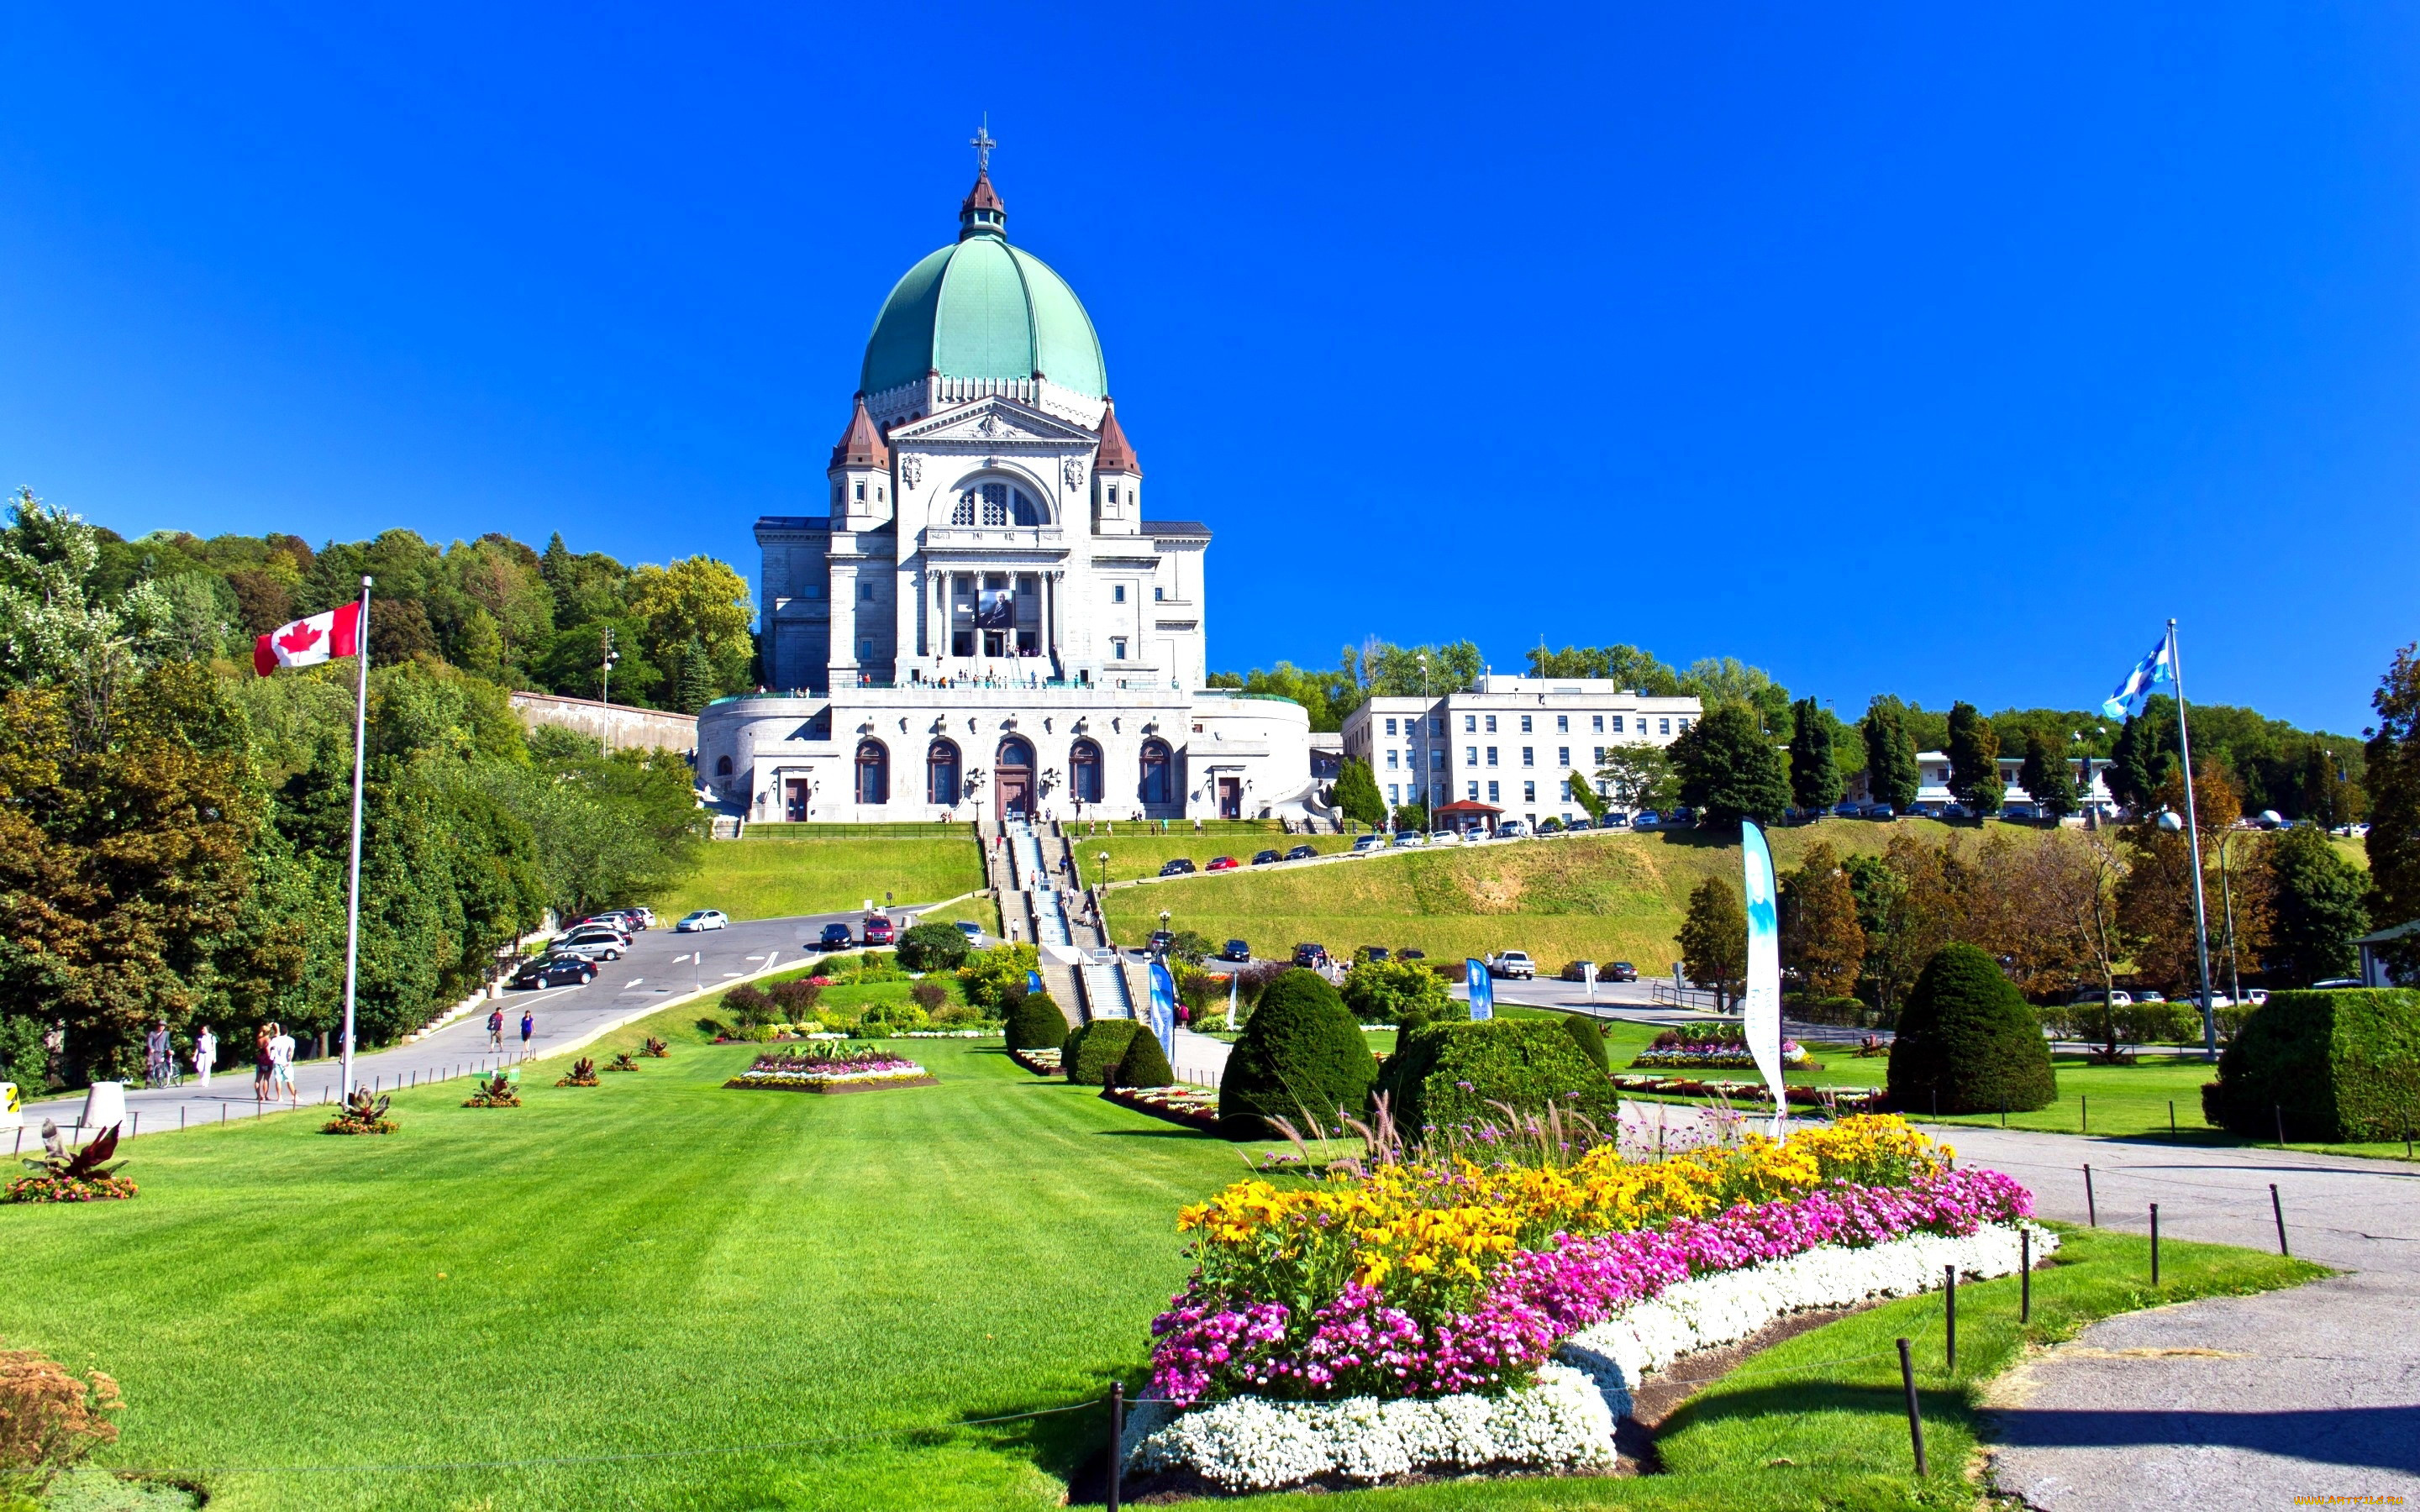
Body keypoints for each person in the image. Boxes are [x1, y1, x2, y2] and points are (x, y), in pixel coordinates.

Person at [267, 1021, 298, 1105]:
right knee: (289, 1079)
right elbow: (291, 1051)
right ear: (287, 1031)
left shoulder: (275, 1040)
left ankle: (279, 1097)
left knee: (278, 1080)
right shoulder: (290, 1040)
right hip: (285, 1062)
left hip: (277, 1061)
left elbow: (269, 1047)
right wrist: (289, 1061)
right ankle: (294, 1096)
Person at [145, 1021, 171, 1089]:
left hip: (160, 1052)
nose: (162, 1027)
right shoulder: (152, 1034)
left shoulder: (166, 1034)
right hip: (153, 1052)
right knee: (150, 1067)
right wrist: (151, 1048)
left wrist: (169, 1049)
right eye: (161, 1025)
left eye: (164, 1026)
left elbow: (167, 1043)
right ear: (158, 1026)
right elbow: (149, 1042)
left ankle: (160, 1081)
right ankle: (148, 1083)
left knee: (160, 1067)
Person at [253, 1026, 273, 1104]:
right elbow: (268, 1051)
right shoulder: (268, 1040)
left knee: (258, 1079)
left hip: (260, 1059)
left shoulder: (259, 1039)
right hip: (266, 1060)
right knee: (266, 1079)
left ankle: (258, 1095)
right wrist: (271, 1058)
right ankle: (265, 1095)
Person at [193, 1024, 216, 1089]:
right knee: (199, 1067)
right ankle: (203, 1078)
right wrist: (195, 1056)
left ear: (207, 1030)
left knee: (207, 1068)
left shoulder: (212, 1037)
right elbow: (197, 1048)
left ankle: (205, 1082)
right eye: (202, 1029)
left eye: (204, 1029)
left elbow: (214, 1048)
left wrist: (214, 1057)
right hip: (201, 1054)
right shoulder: (200, 1037)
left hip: (209, 1053)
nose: (202, 1030)